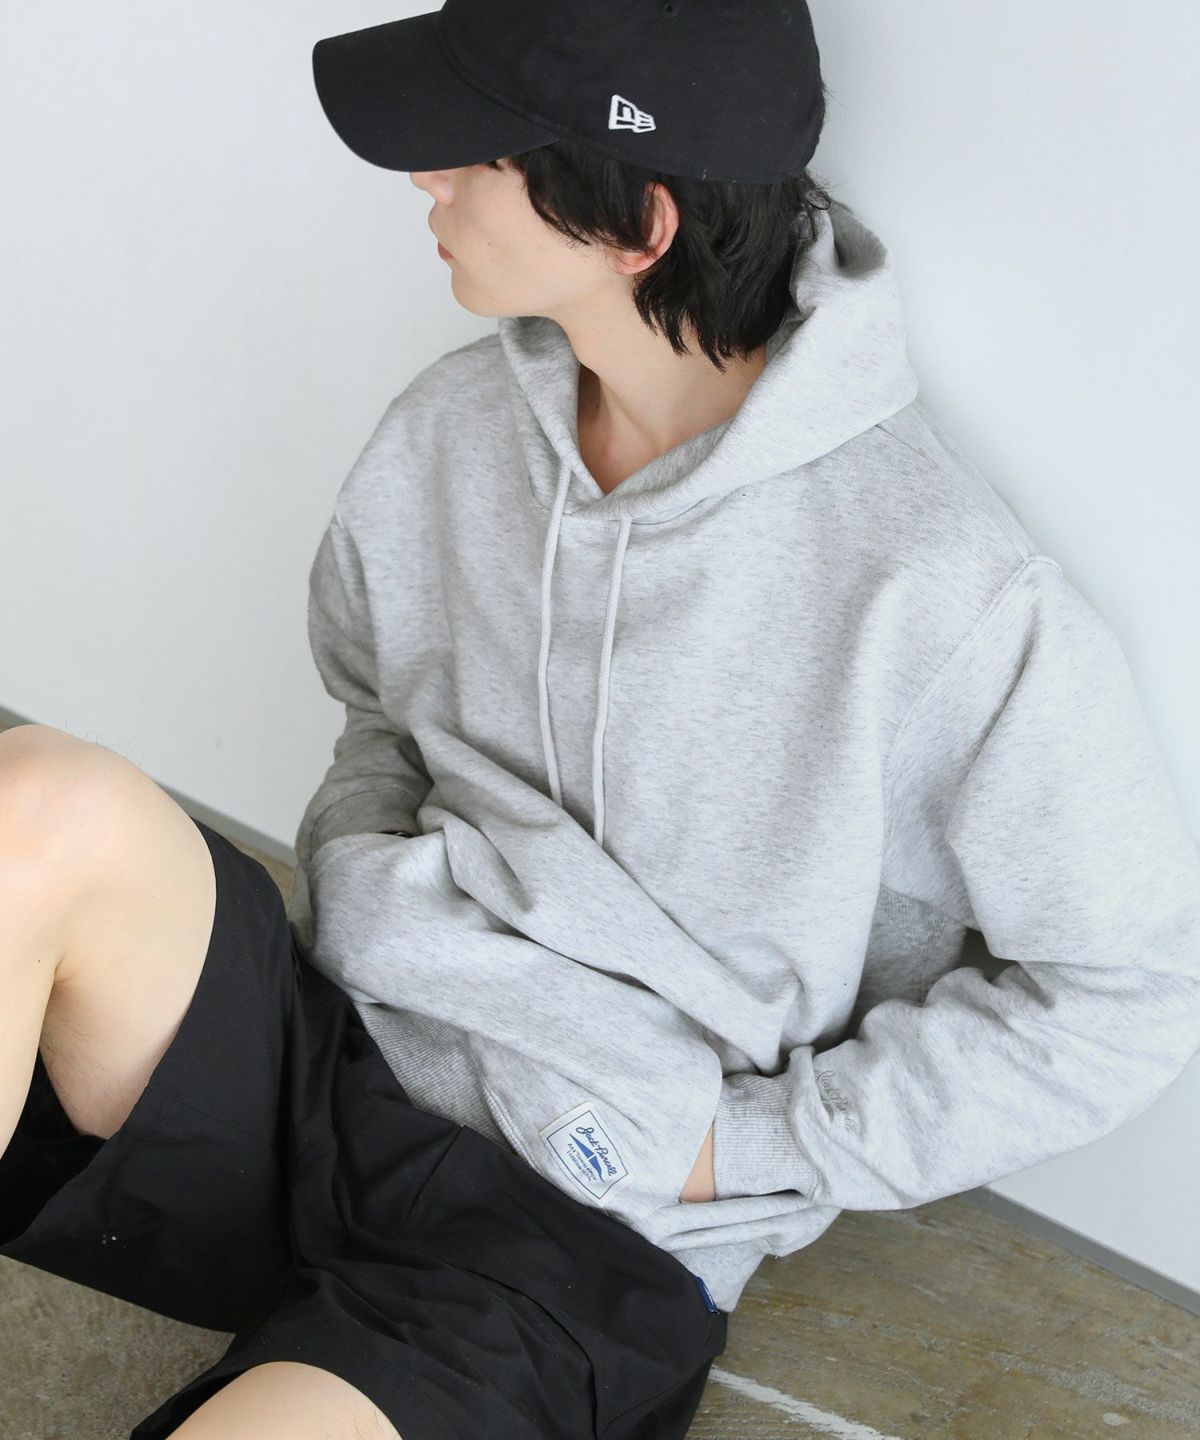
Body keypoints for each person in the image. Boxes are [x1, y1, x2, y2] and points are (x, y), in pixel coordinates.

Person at [3, 4, 1199, 1440]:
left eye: (474, 154)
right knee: (41, 799)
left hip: (573, 1230)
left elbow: (1126, 995)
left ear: (636, 223)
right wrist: (370, 881)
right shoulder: (455, 428)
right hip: (336, 1059)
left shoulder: (942, 594)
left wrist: (733, 1148)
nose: (425, 178)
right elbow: (377, 708)